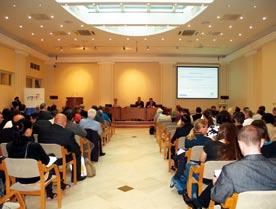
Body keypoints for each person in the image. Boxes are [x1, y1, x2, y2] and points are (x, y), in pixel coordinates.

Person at [211, 125, 276, 205]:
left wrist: (216, 183)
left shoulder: (230, 170)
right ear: (262, 142)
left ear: (240, 144)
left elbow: (218, 197)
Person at [6, 116, 56, 199]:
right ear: (28, 131)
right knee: (51, 161)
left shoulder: (8, 145)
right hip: (35, 178)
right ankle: (49, 193)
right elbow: (46, 162)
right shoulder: (34, 145)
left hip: (19, 177)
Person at [38, 113, 85, 182]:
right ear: (64, 123)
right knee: (77, 153)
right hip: (60, 160)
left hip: (45, 159)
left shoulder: (42, 131)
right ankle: (77, 177)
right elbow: (75, 149)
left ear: (54, 121)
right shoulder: (68, 133)